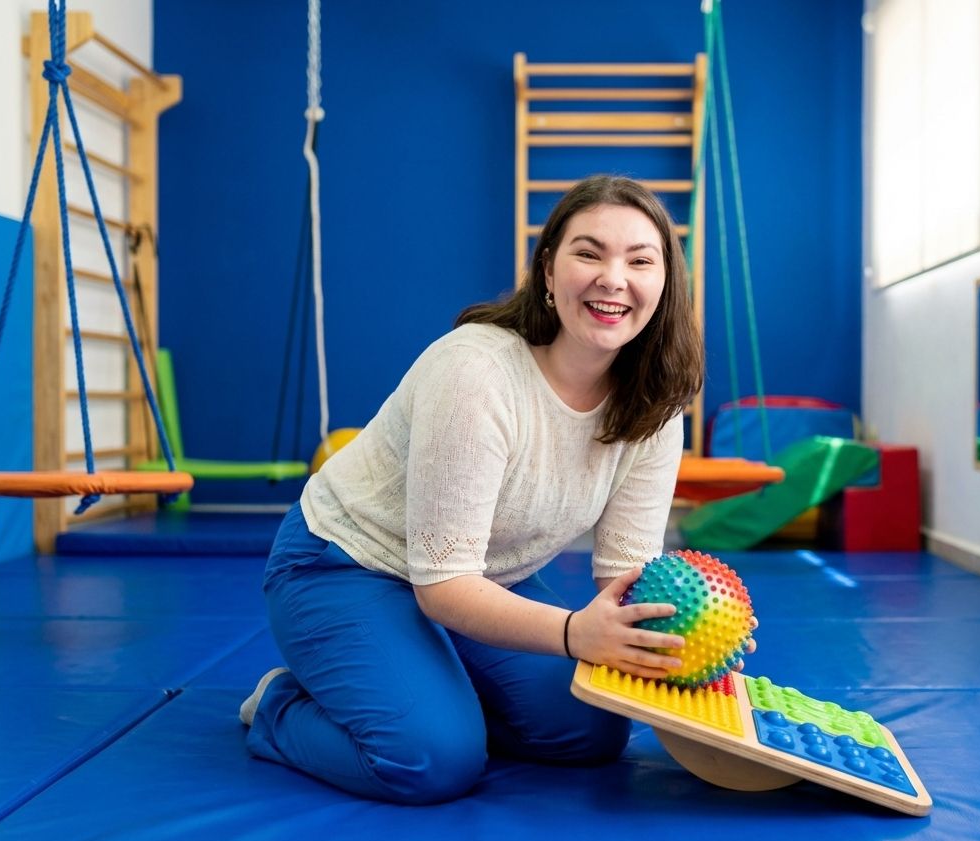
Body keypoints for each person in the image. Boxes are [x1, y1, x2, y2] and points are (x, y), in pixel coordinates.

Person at [240, 175, 716, 804]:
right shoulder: (477, 372)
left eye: (639, 260)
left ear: (664, 283)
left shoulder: (653, 405)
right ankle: (279, 705)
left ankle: (423, 687)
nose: (613, 278)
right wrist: (576, 633)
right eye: (588, 253)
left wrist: (689, 644)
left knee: (593, 729)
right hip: (347, 565)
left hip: (486, 578)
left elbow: (627, 576)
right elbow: (442, 586)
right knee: (430, 759)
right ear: (547, 270)